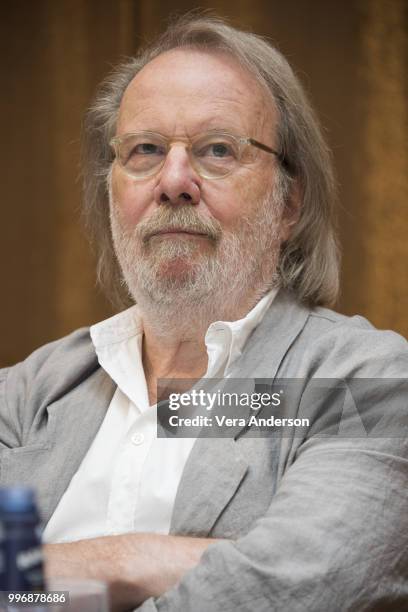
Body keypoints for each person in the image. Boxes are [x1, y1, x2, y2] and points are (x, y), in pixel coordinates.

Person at [1, 14, 407, 612]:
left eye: (218, 150)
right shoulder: (28, 392)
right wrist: (144, 566)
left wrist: (105, 564)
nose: (173, 181)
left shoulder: (363, 380)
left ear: (288, 202)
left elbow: (294, 582)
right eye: (144, 150)